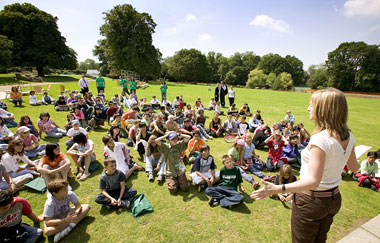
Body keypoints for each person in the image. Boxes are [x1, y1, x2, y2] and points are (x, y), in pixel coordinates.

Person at [251, 88, 360, 243]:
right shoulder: (349, 136)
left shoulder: (320, 139)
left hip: (311, 202)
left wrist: (276, 189)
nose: (308, 108)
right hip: (333, 199)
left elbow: (313, 181)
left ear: (324, 109)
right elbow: (354, 167)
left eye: (311, 105)